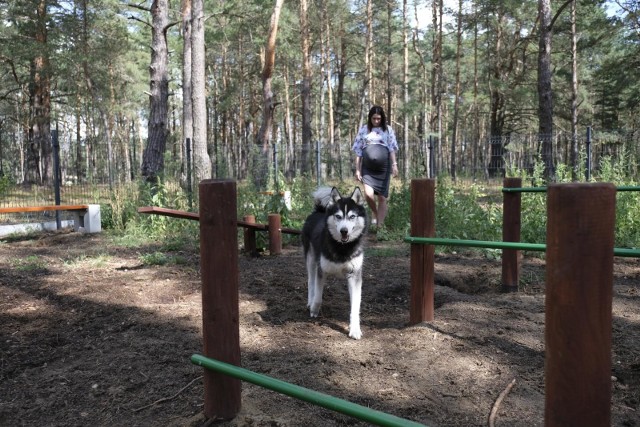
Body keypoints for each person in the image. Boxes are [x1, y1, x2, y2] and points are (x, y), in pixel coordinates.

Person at [352, 105, 399, 228]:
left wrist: (394, 165)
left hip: (383, 169)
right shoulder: (364, 130)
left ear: (382, 118)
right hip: (367, 169)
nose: (376, 121)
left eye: (379, 118)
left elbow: (392, 149)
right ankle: (375, 212)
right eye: (374, 118)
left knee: (382, 198)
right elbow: (358, 151)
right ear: (370, 118)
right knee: (368, 194)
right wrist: (357, 169)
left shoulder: (388, 130)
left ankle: (380, 226)